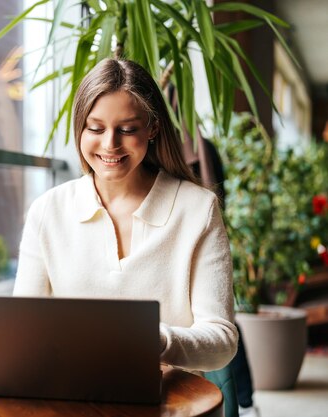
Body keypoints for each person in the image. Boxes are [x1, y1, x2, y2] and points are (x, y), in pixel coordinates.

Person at [13, 58, 238, 372]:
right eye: (95, 128)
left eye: (127, 129)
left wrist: (150, 341)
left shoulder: (197, 209)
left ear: (153, 128)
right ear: (79, 127)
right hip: (74, 398)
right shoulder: (47, 212)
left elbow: (222, 341)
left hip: (171, 404)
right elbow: (21, 331)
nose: (110, 144)